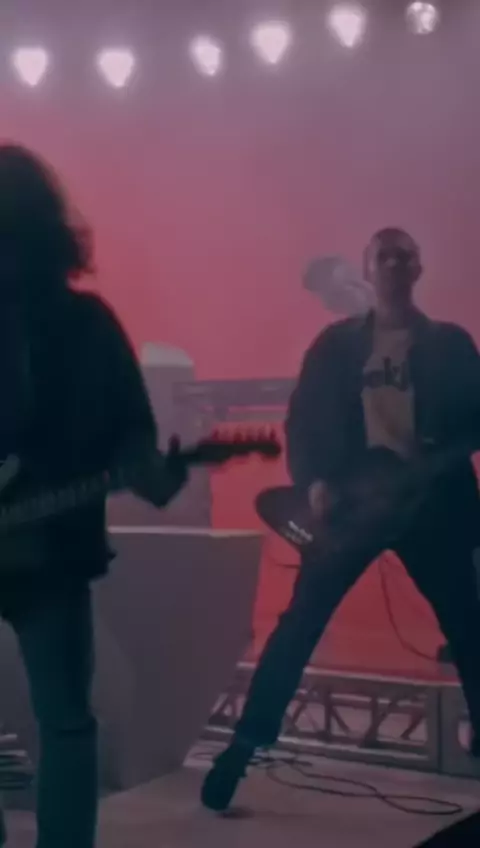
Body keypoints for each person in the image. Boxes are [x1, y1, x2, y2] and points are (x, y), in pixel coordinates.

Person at [201, 226, 480, 811]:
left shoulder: (450, 345)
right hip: (354, 510)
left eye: (404, 256)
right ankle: (241, 749)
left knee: (469, 629)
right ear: (368, 270)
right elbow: (301, 421)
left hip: (431, 510)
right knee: (298, 626)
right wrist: (315, 482)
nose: (395, 265)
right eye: (385, 257)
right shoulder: (335, 346)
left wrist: (431, 461)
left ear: (418, 269)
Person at [0, 144, 186, 847]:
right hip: (55, 556)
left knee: (67, 723)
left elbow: (132, 441)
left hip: (53, 551)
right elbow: (134, 438)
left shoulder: (84, 325)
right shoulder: (89, 322)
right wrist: (151, 470)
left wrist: (150, 472)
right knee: (67, 724)